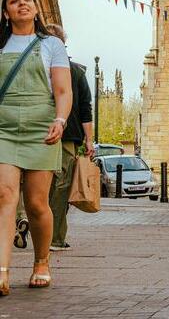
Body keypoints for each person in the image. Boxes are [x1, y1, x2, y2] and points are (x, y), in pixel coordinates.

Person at [0, 0, 72, 294]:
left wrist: (60, 119)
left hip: (41, 130)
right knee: (4, 196)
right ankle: (1, 271)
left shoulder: (51, 44)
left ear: (35, 8)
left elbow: (62, 90)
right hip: (3, 129)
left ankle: (41, 261)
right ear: (6, 12)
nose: (21, 4)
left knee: (36, 204)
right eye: (14, 1)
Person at [45, 24, 94, 251]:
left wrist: (89, 140)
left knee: (43, 184)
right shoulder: (75, 71)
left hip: (44, 133)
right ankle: (53, 237)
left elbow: (85, 108)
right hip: (66, 137)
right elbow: (86, 109)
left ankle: (33, 224)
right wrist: (88, 140)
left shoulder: (74, 71)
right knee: (61, 186)